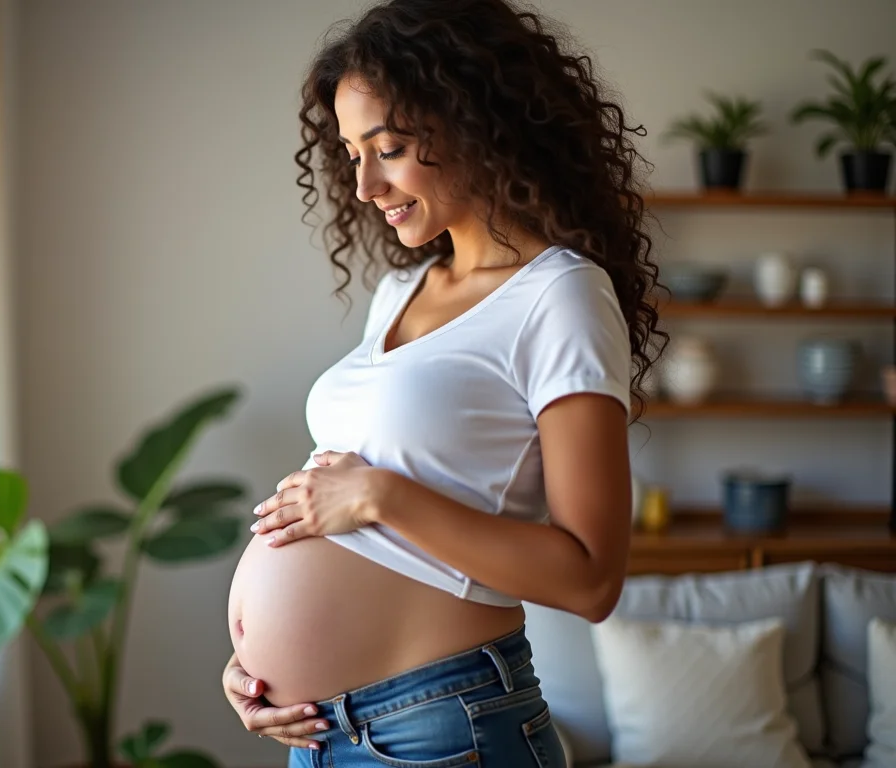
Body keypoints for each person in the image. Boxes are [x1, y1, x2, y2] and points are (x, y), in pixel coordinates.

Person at [222, 0, 666, 766]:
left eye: (388, 147)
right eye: (351, 152)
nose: (363, 185)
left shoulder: (559, 295)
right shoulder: (402, 291)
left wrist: (379, 496)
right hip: (321, 732)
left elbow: (593, 578)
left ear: (476, 123)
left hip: (442, 728)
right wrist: (256, 668)